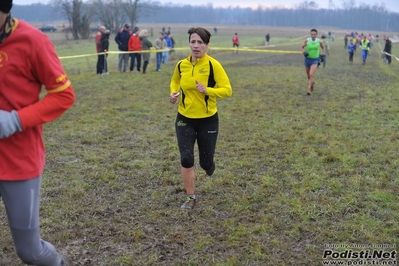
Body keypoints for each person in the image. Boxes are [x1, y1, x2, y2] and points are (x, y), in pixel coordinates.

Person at [0, 0, 75, 265]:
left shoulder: (33, 41)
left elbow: (63, 96)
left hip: (18, 162)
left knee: (30, 251)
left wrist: (15, 120)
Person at [169, 27, 233, 209]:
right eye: (193, 42)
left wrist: (208, 91)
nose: (196, 46)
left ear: (207, 45)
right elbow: (175, 81)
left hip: (208, 120)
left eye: (200, 42)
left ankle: (209, 165)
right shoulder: (182, 65)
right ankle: (191, 198)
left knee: (205, 163)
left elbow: (227, 90)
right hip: (185, 118)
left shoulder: (213, 65)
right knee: (187, 158)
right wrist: (173, 93)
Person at [300, 29, 325, 96]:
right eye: (312, 34)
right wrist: (304, 52)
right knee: (308, 76)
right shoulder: (307, 40)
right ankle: (312, 83)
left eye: (314, 34)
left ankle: (309, 89)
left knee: (311, 74)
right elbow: (301, 48)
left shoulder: (319, 41)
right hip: (307, 60)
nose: (313, 35)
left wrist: (322, 55)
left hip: (315, 60)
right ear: (310, 34)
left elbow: (323, 48)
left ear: (316, 35)